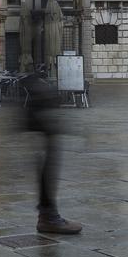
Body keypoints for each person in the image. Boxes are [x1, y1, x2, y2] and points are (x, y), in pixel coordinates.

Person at [24, 65, 80, 234]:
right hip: (38, 124)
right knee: (46, 165)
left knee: (48, 161)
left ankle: (48, 216)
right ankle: (49, 217)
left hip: (39, 124)